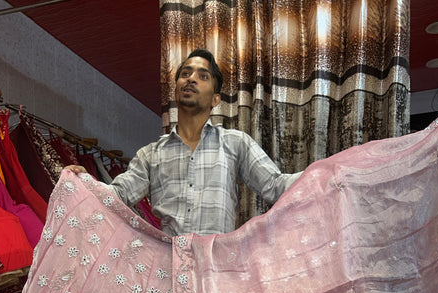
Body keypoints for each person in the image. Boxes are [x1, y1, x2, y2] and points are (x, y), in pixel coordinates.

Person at [68, 49, 302, 236]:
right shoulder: (150, 155)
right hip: (168, 273)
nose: (191, 79)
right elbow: (117, 195)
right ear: (177, 88)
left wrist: (331, 172)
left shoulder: (235, 144)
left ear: (215, 99)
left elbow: (276, 186)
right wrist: (81, 183)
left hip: (217, 272)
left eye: (203, 76)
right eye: (185, 74)